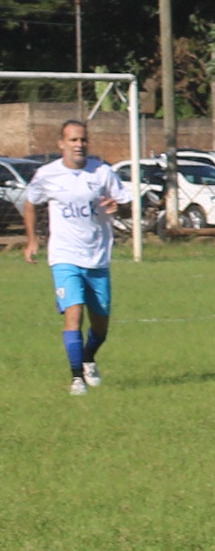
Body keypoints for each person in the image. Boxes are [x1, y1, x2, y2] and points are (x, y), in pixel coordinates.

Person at [22, 119, 129, 395]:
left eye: (83, 139)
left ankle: (88, 358)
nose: (79, 144)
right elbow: (30, 203)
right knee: (74, 312)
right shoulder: (47, 174)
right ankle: (76, 379)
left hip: (97, 257)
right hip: (64, 255)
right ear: (62, 144)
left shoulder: (102, 172)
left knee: (101, 326)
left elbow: (125, 203)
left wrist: (118, 207)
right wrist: (32, 240)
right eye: (73, 140)